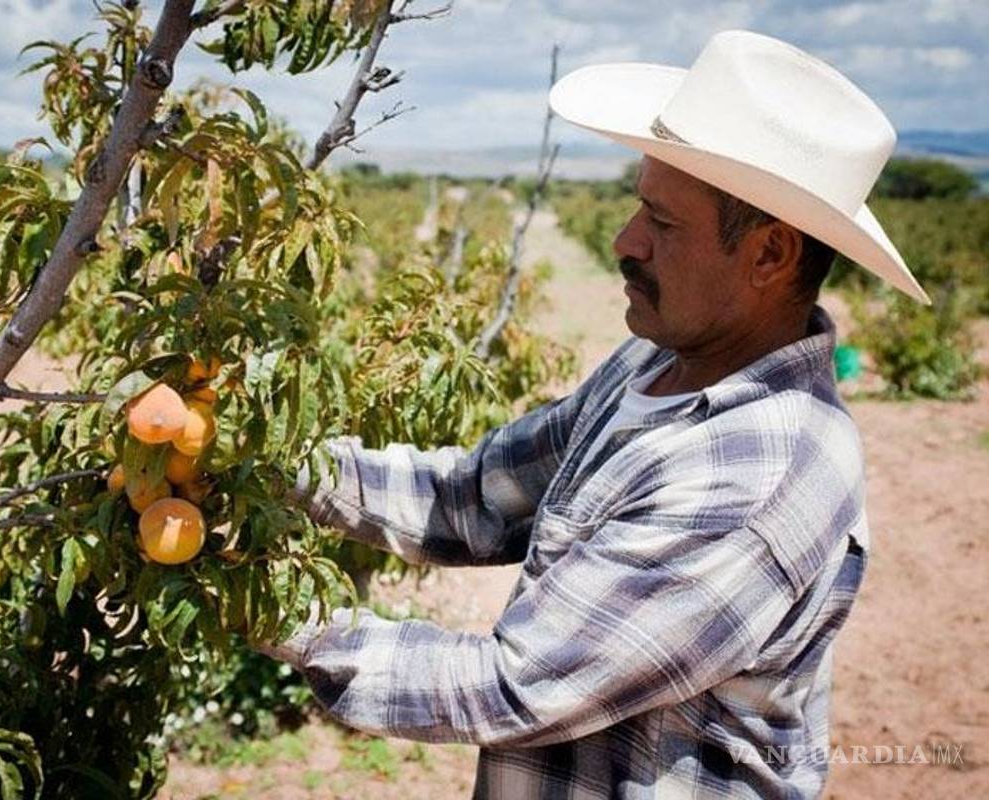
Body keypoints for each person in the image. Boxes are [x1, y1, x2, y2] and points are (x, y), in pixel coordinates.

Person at [254, 29, 929, 799]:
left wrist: (267, 608)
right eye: (638, 207)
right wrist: (262, 462)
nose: (623, 241)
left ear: (770, 255)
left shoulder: (759, 472)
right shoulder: (656, 364)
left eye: (663, 223)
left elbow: (514, 686)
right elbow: (471, 501)